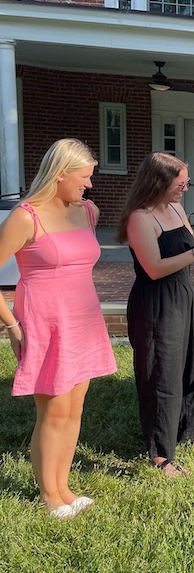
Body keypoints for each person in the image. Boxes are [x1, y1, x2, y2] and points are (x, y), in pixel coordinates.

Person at [0, 138, 116, 518]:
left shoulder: (88, 211)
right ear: (60, 172)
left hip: (82, 319)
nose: (89, 184)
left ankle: (64, 487)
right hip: (44, 321)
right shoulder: (25, 216)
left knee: (74, 407)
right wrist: (14, 328)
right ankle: (49, 495)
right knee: (52, 410)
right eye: (84, 177)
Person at [116, 153, 194, 476]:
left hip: (183, 295)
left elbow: (186, 252)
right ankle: (159, 455)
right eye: (179, 183)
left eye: (187, 182)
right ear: (158, 182)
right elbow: (154, 269)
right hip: (155, 302)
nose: (185, 188)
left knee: (188, 365)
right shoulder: (140, 218)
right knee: (161, 372)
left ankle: (183, 432)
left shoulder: (176, 209)